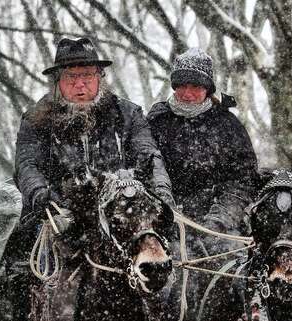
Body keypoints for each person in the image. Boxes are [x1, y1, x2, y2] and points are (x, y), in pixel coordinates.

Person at [14, 36, 174, 243]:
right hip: (57, 210)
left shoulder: (127, 114)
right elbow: (27, 164)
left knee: (163, 254)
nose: (80, 85)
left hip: (122, 208)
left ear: (100, 77)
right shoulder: (35, 120)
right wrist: (39, 194)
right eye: (71, 77)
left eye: (88, 76)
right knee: (23, 260)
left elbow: (150, 156)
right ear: (57, 82)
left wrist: (162, 193)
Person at [147, 47, 258, 260]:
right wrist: (165, 214)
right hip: (164, 221)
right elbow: (145, 168)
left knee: (232, 268)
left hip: (219, 225)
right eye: (182, 86)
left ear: (207, 89)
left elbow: (244, 181)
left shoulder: (228, 126)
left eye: (196, 87)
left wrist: (218, 220)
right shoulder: (156, 122)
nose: (187, 94)